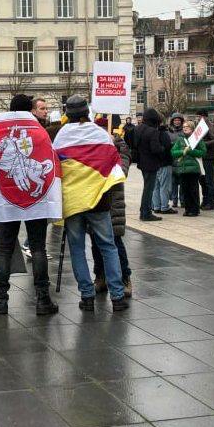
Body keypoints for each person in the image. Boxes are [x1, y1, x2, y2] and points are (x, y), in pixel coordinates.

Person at [0, 94, 60, 316]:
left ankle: (1, 300)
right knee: (38, 247)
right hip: (35, 201)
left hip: (6, 197)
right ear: (30, 110)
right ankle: (42, 299)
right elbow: (53, 163)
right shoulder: (40, 132)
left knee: (4, 248)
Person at [54, 96, 129, 312]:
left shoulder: (61, 137)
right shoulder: (100, 134)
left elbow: (56, 167)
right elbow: (113, 163)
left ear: (67, 113)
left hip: (73, 202)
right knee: (108, 247)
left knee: (77, 249)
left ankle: (87, 296)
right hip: (99, 201)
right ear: (86, 112)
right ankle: (117, 296)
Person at [91, 116, 133, 297]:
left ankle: (125, 278)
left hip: (113, 200)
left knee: (115, 241)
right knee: (95, 241)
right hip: (94, 199)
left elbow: (122, 169)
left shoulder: (119, 145)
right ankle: (100, 276)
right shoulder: (91, 144)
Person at [133, 108, 166, 221]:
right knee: (149, 189)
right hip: (151, 163)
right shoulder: (153, 131)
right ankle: (146, 213)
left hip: (142, 162)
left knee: (147, 187)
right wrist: (163, 148)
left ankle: (144, 211)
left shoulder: (137, 129)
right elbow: (156, 149)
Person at [171, 121, 206, 216]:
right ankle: (187, 209)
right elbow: (173, 152)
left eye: (187, 127)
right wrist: (183, 151)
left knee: (193, 189)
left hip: (193, 168)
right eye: (184, 127)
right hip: (182, 168)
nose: (185, 128)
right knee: (184, 189)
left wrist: (190, 151)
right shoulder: (180, 139)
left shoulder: (197, 139)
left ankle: (194, 209)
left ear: (192, 128)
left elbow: (202, 152)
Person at [196, 111, 214, 210]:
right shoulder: (200, 126)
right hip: (201, 156)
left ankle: (211, 201)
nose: (197, 118)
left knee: (209, 179)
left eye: (199, 116)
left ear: (204, 117)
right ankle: (205, 200)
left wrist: (202, 144)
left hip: (208, 156)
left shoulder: (210, 126)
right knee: (202, 180)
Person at [166, 113, 185, 208]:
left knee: (182, 182)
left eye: (179, 120)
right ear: (172, 121)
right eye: (175, 120)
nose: (177, 122)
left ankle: (182, 200)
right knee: (173, 182)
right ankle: (174, 200)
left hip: (182, 158)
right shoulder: (169, 132)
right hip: (172, 159)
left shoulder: (184, 132)